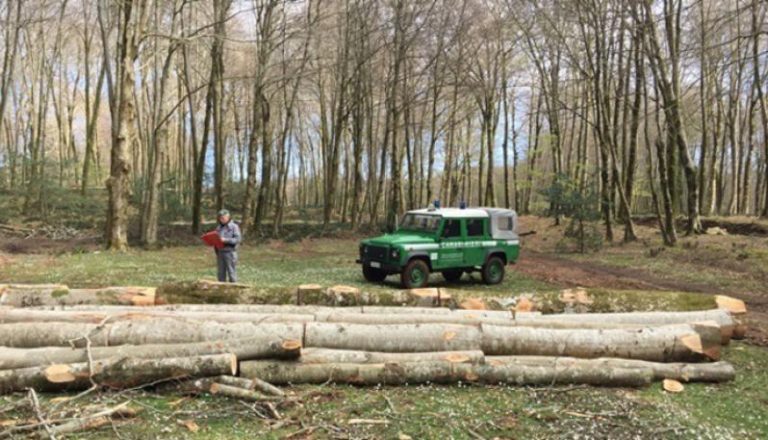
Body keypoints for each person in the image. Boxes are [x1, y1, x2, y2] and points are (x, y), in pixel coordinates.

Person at [214, 209, 241, 282]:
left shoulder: (234, 227)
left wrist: (225, 240)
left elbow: (237, 239)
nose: (222, 219)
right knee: (220, 273)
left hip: (230, 252)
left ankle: (234, 289)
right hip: (220, 252)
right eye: (220, 218)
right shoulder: (218, 228)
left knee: (231, 272)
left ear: (228, 217)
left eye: (223, 218)